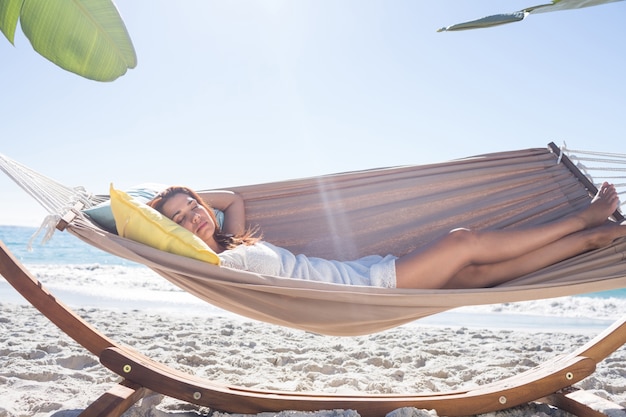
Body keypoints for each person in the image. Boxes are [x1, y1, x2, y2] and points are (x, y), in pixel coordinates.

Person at [147, 183, 626, 289]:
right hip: (365, 290)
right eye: (181, 217)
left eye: (193, 206)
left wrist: (185, 194)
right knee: (463, 242)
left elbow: (231, 199)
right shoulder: (212, 264)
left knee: (475, 273)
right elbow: (174, 242)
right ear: (169, 230)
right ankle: (581, 221)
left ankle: (587, 242)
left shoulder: (230, 244)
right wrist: (151, 225)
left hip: (363, 273)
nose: (195, 216)